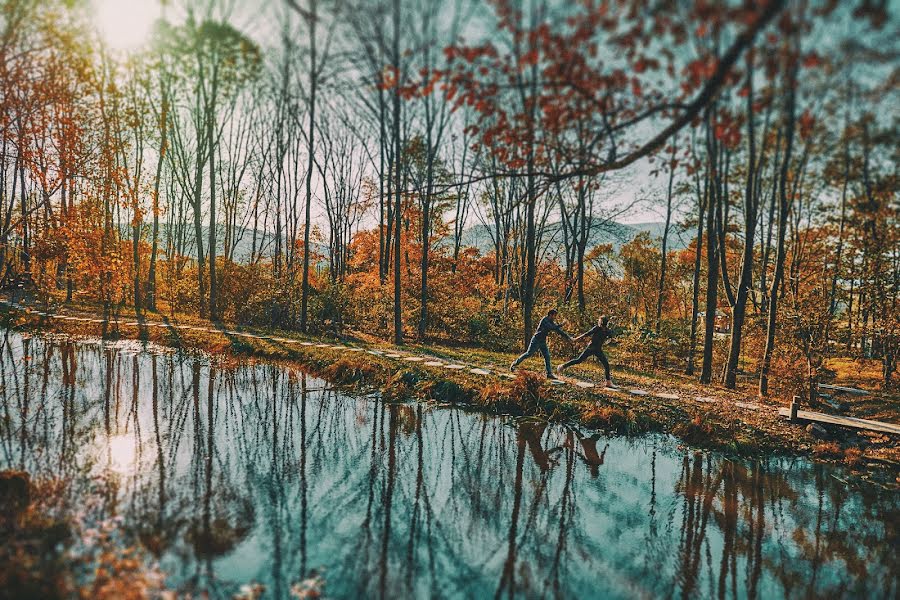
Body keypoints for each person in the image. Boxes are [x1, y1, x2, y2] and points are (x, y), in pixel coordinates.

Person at [510, 309, 573, 379]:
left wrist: (568, 337)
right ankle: (514, 364)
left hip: (542, 341)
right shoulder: (544, 320)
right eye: (554, 315)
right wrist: (561, 324)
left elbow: (558, 330)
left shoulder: (551, 321)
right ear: (550, 315)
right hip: (536, 340)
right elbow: (551, 328)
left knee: (547, 356)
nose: (555, 317)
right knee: (528, 354)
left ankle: (549, 374)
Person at [557, 315, 615, 387]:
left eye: (599, 321)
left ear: (602, 322)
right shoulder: (597, 328)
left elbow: (610, 338)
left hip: (598, 350)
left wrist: (608, 341)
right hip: (591, 348)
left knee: (606, 364)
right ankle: (562, 366)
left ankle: (608, 382)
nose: (598, 322)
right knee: (578, 360)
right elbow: (586, 334)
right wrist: (576, 339)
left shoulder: (607, 331)